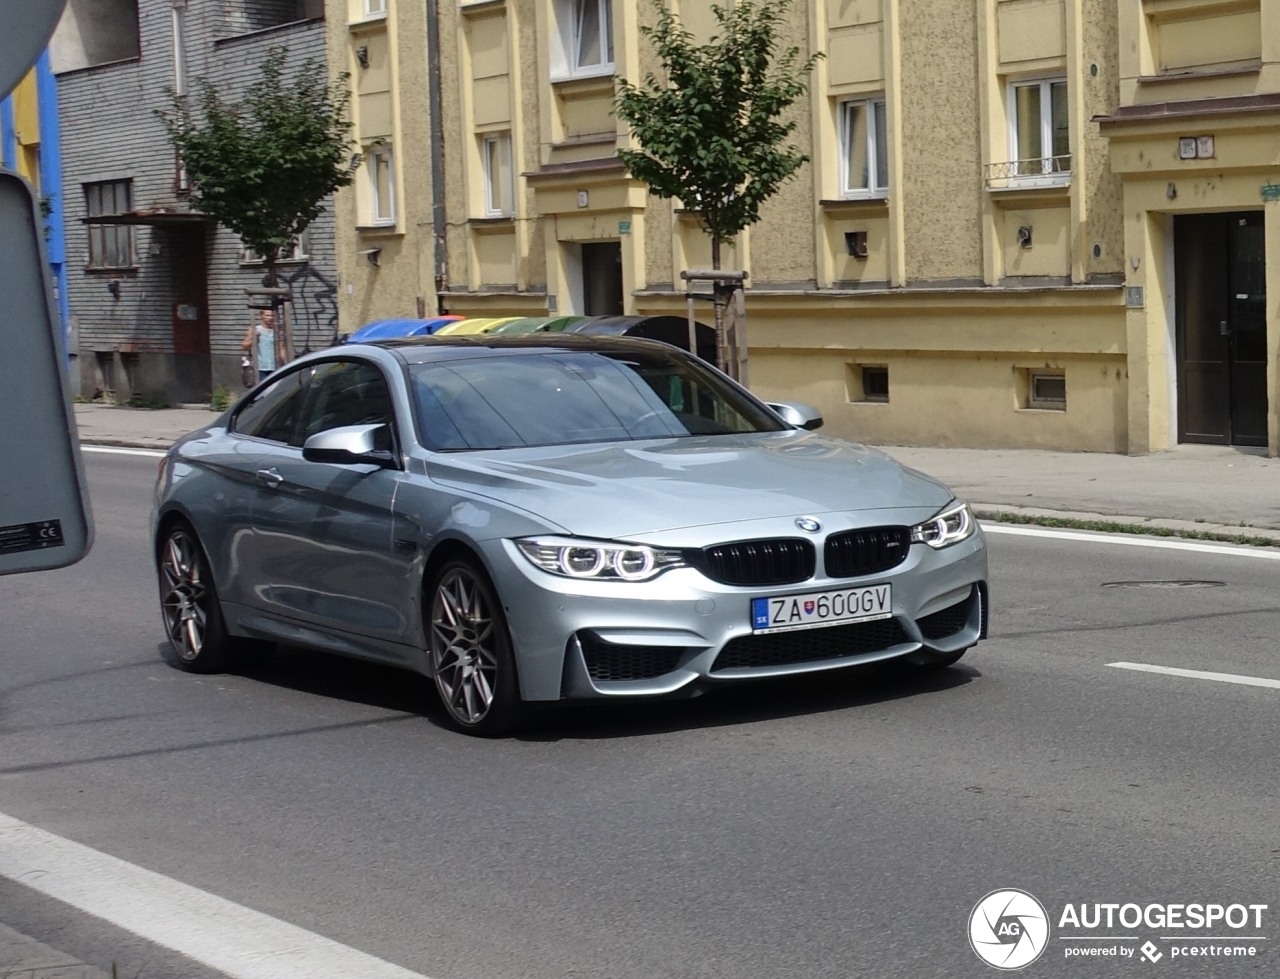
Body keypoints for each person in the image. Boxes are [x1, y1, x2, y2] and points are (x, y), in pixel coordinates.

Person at [241, 309, 286, 384]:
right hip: (260, 367)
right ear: (261, 316)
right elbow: (244, 346)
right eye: (267, 315)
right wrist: (254, 339)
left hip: (275, 366)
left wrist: (285, 363)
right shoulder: (255, 329)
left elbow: (281, 348)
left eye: (272, 316)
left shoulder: (276, 331)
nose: (270, 318)